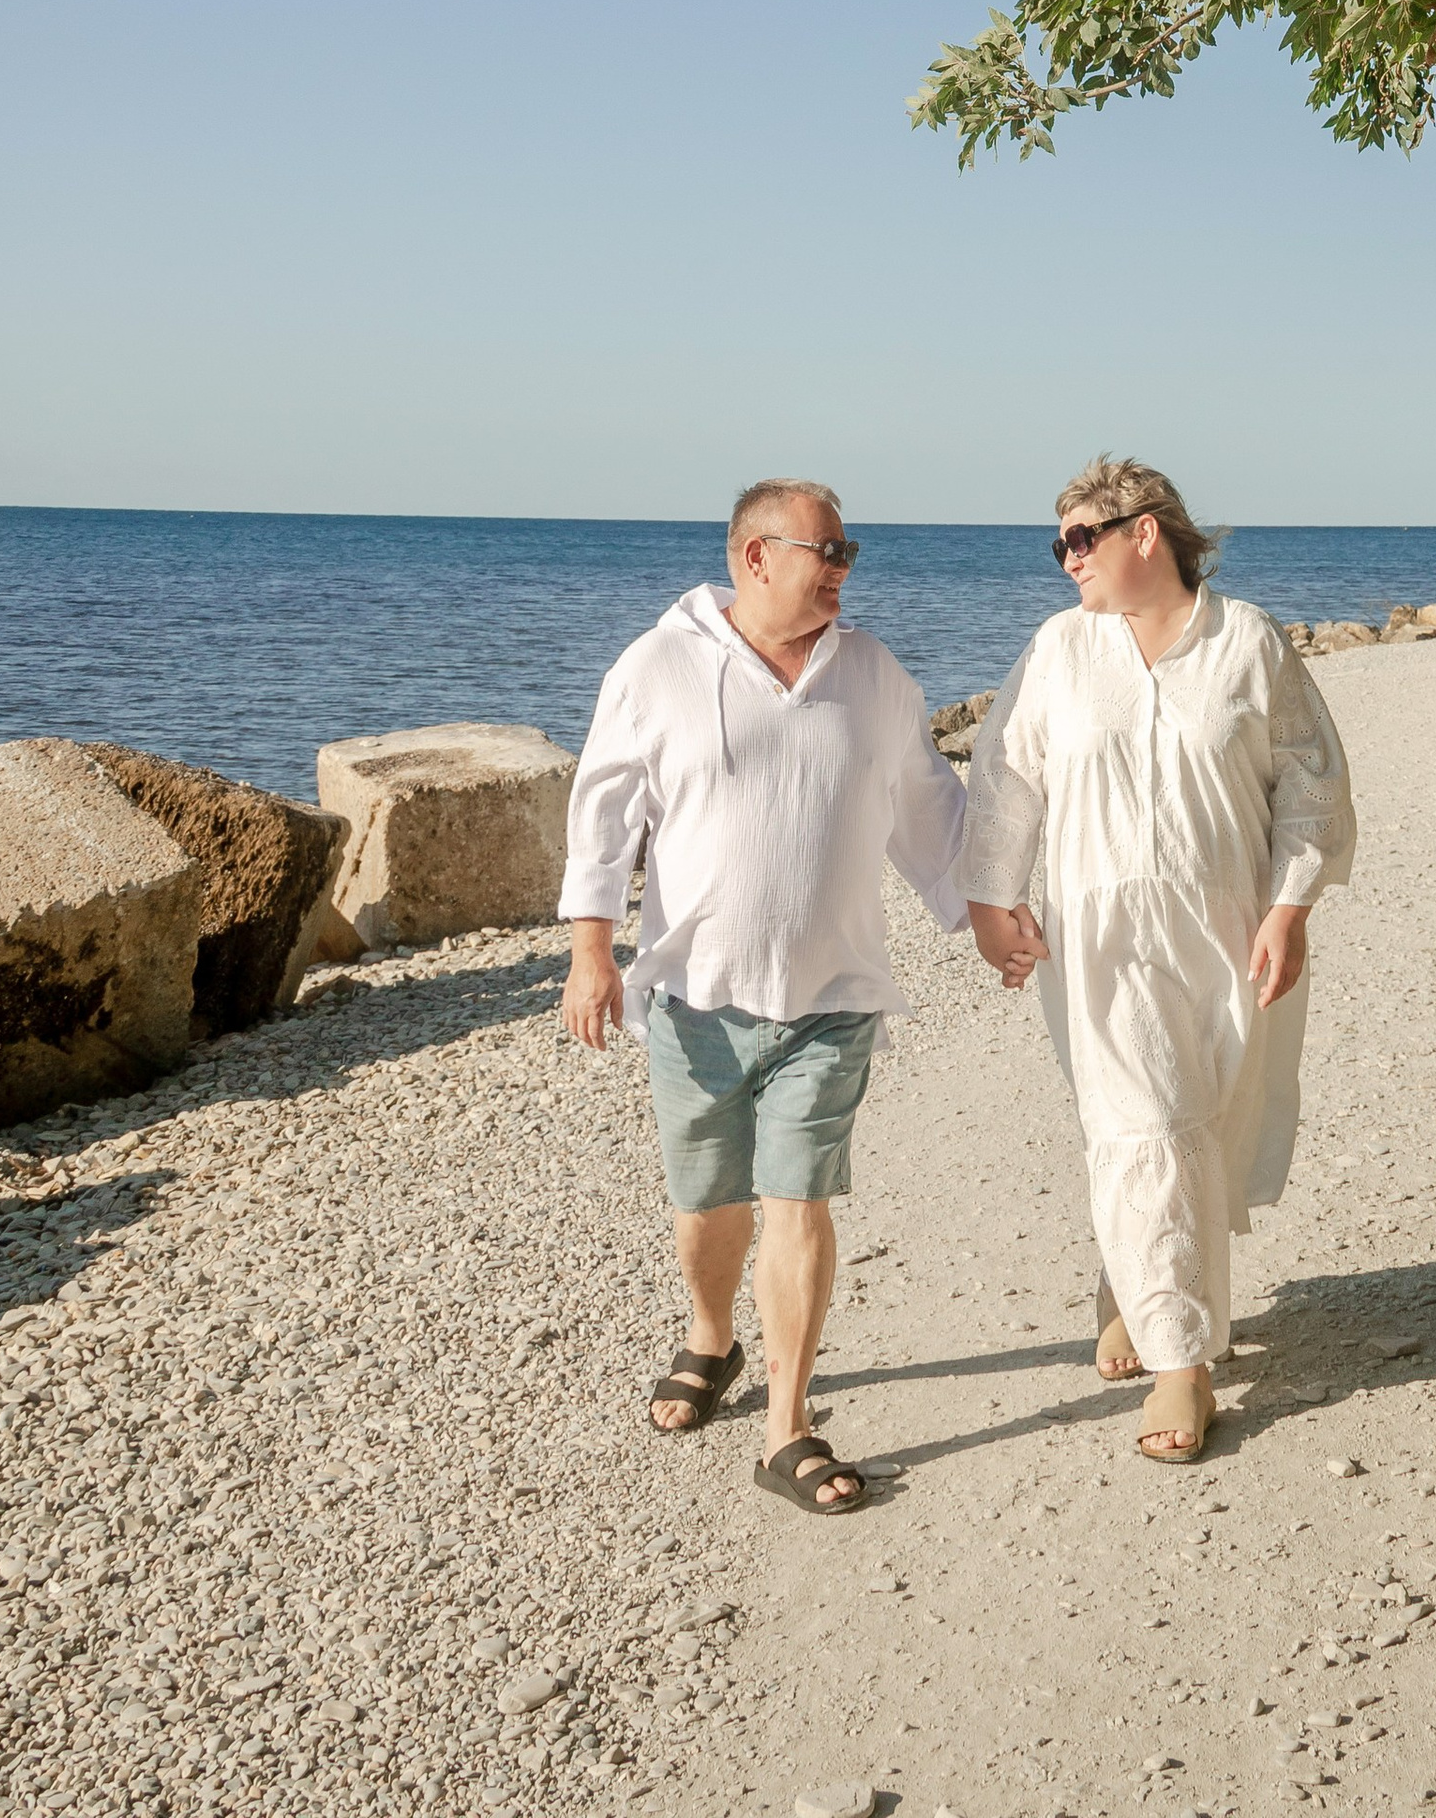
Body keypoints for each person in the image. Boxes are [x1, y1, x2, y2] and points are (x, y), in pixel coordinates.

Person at [559, 476, 970, 1517]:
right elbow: (603, 810)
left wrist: (985, 912)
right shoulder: (658, 667)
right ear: (754, 556)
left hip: (832, 996)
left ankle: (789, 1426)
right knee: (711, 1208)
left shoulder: (870, 673)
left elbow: (925, 800)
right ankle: (710, 1337)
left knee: (799, 1203)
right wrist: (591, 952)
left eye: (847, 554)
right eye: (824, 552)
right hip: (696, 1001)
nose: (840, 570)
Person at [963, 454, 1356, 1465]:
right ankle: (1185, 1361)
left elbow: (1307, 782)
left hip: (1222, 927)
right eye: (1057, 544)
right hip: (1097, 935)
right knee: (1146, 1122)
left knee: (1210, 1121)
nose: (1065, 562)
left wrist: (1290, 907)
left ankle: (1127, 1284)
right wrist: (992, 903)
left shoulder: (1248, 644)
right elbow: (1007, 777)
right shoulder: (1060, 650)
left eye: (1080, 539)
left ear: (1146, 533)